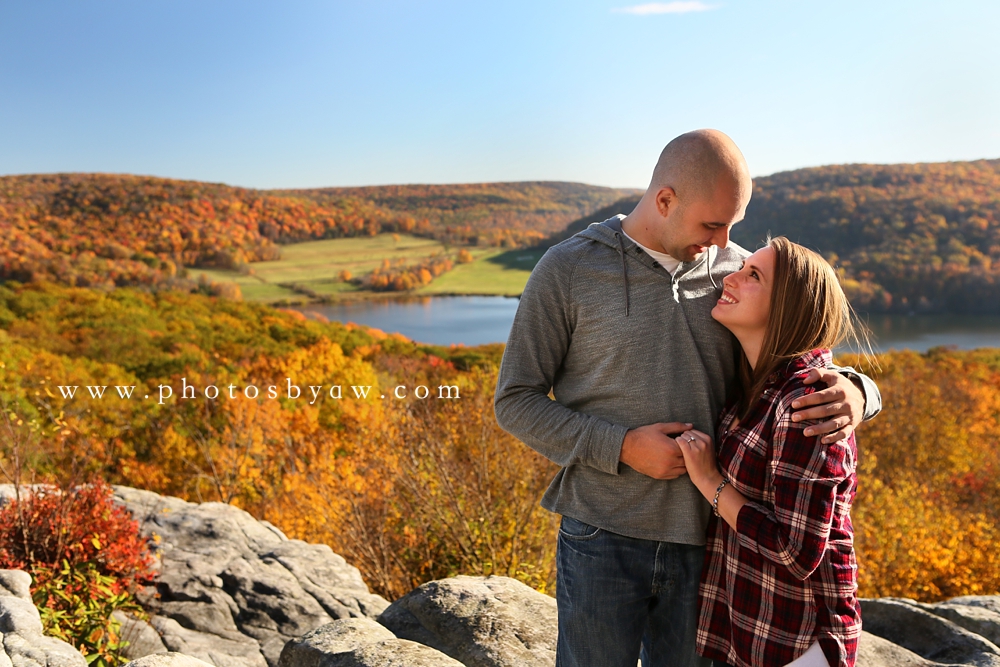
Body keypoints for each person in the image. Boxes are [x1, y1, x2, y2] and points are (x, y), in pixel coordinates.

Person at [493, 129, 880, 667]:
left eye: (732, 225)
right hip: (601, 533)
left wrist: (862, 392)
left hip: (716, 544)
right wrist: (622, 445)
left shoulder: (737, 277)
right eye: (712, 224)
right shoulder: (567, 270)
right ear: (665, 200)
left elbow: (801, 353)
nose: (724, 242)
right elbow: (515, 400)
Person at [676, 237, 867, 667]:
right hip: (752, 633)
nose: (731, 276)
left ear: (788, 308)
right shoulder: (758, 385)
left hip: (799, 644)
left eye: (753, 275)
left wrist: (709, 481)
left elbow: (795, 552)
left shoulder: (806, 403)